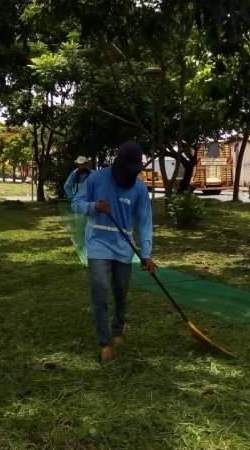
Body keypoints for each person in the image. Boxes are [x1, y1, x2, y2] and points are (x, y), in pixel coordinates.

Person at [72, 140, 157, 364]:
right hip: (98, 243)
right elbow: (76, 202)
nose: (132, 174)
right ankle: (105, 342)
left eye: (135, 170)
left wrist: (146, 253)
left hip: (123, 247)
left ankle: (117, 331)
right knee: (100, 291)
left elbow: (146, 222)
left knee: (121, 291)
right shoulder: (97, 178)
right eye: (129, 169)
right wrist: (93, 207)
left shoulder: (139, 188)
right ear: (119, 163)